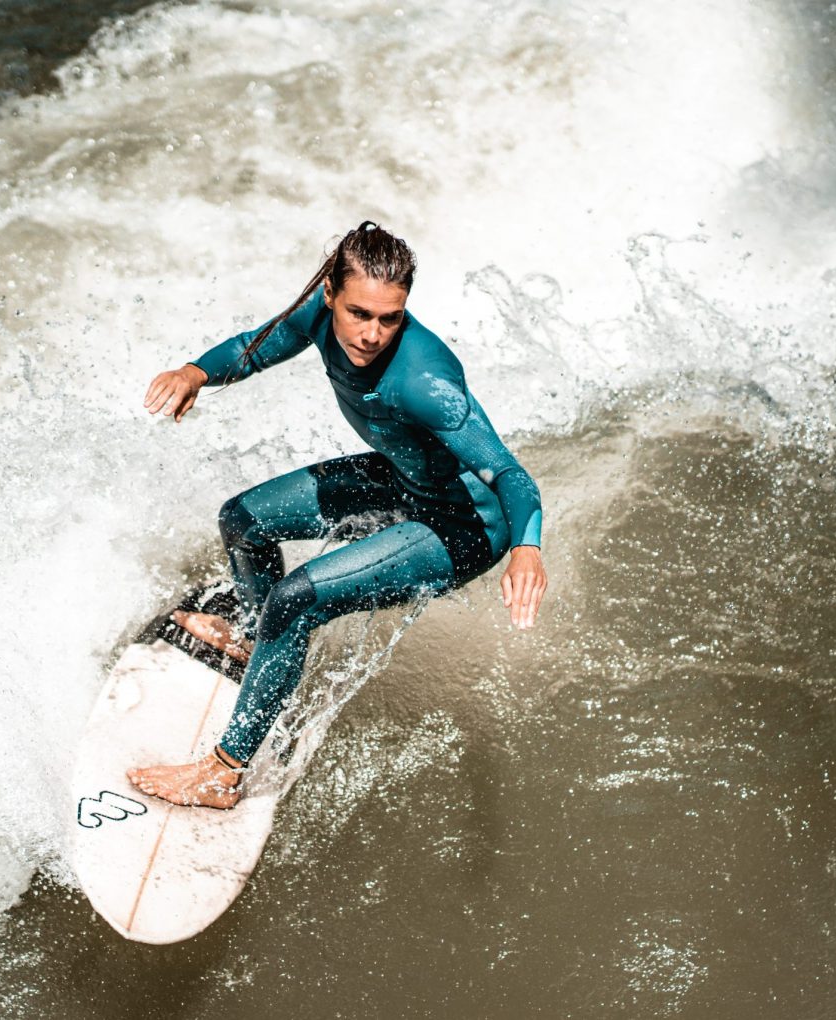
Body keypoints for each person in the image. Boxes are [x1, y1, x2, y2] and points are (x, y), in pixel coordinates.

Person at [127, 223, 547, 809]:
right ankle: (257, 640)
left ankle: (222, 774)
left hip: (460, 528)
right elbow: (257, 344)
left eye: (390, 318)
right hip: (405, 480)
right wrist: (195, 371)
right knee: (242, 522)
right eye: (360, 314)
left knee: (296, 598)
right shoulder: (319, 317)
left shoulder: (427, 383)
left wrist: (527, 547)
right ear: (330, 292)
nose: (372, 335)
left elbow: (508, 475)